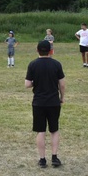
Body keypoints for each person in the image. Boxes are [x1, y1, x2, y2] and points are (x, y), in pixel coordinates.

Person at [25, 40, 66, 168]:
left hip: (38, 102)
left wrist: (36, 83)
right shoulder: (56, 64)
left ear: (37, 50)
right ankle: (54, 157)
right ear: (50, 51)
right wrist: (62, 97)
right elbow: (62, 84)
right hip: (53, 101)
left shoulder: (33, 64)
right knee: (54, 130)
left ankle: (42, 159)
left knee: (41, 131)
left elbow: (27, 84)